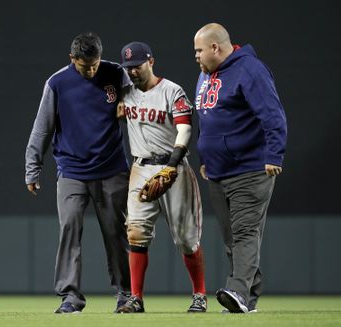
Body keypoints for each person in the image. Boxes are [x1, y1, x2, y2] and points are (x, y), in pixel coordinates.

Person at [25, 32, 131, 314]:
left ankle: (125, 294)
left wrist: (127, 100)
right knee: (70, 228)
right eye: (86, 66)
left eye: (95, 64)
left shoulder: (116, 73)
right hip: (72, 170)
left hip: (111, 169)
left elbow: (136, 98)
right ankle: (70, 296)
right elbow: (42, 128)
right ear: (72, 59)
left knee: (116, 233)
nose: (92, 70)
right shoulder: (57, 82)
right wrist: (32, 168)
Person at [193, 23, 287, 313]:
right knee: (232, 239)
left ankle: (238, 292)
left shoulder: (250, 70)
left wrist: (274, 154)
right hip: (219, 172)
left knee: (245, 233)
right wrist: (208, 157)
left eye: (198, 50)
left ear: (215, 48)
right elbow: (209, 120)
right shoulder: (205, 75)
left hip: (250, 168)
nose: (195, 55)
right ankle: (248, 295)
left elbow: (273, 115)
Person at [115, 42, 207, 313]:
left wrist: (173, 165)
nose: (132, 72)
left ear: (151, 61)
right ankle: (136, 298)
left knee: (186, 238)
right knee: (135, 232)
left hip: (173, 167)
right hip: (140, 167)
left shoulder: (172, 90)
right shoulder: (126, 94)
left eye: (137, 66)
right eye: (128, 67)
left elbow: (185, 130)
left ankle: (200, 294)